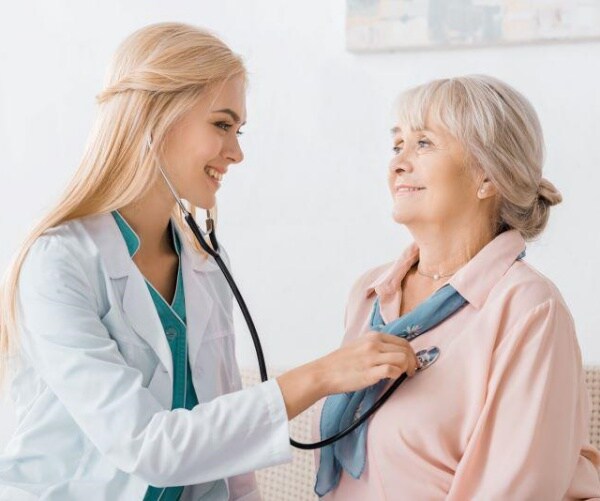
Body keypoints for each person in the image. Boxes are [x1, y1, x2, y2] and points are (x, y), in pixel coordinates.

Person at [0, 23, 420, 500]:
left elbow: (232, 458)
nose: (237, 153)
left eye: (238, 131)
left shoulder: (202, 262)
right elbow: (146, 445)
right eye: (222, 125)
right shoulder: (58, 265)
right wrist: (321, 375)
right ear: (154, 117)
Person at [313, 75, 600, 500]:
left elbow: (515, 490)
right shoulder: (370, 294)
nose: (397, 164)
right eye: (397, 145)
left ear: (487, 175)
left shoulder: (529, 308)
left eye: (423, 144)